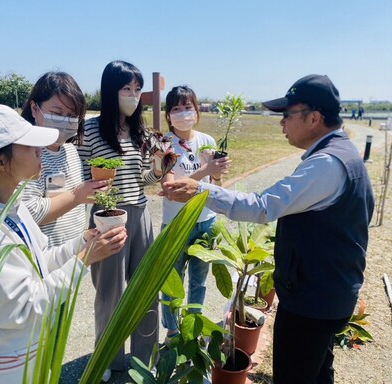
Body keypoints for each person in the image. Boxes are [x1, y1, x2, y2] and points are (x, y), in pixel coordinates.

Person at [162, 74, 375, 384]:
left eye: (287, 115)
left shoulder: (327, 164)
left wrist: (200, 190)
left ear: (313, 118)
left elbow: (262, 207)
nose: (281, 123)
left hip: (313, 300)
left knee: (295, 375)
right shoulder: (342, 154)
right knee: (318, 371)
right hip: (329, 291)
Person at [0, 104, 127, 383]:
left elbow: (39, 261)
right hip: (2, 369)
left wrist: (83, 243)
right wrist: (83, 260)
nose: (39, 150)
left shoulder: (10, 205)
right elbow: (19, 309)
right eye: (30, 145)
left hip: (25, 357)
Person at [77, 60, 162, 381]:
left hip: (139, 215)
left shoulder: (140, 131)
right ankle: (108, 358)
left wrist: (157, 170)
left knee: (145, 290)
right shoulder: (92, 129)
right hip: (106, 217)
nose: (132, 95)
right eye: (126, 88)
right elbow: (81, 175)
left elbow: (142, 178)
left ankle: (145, 358)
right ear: (110, 90)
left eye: (137, 89)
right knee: (109, 293)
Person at [159, 85, 230, 342]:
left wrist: (217, 173)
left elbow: (216, 186)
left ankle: (193, 329)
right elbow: (168, 188)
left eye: (187, 107)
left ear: (197, 111)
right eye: (176, 109)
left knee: (199, 282)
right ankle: (172, 332)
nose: (182, 113)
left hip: (205, 222)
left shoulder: (207, 142)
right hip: (176, 223)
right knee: (171, 284)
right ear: (168, 115)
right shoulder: (163, 143)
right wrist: (205, 170)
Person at [20, 71, 108, 247]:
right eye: (57, 112)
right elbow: (27, 213)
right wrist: (78, 195)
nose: (65, 121)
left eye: (71, 116)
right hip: (43, 260)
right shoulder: (26, 154)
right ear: (34, 109)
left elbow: (72, 204)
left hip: (71, 254)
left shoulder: (70, 150)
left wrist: (90, 194)